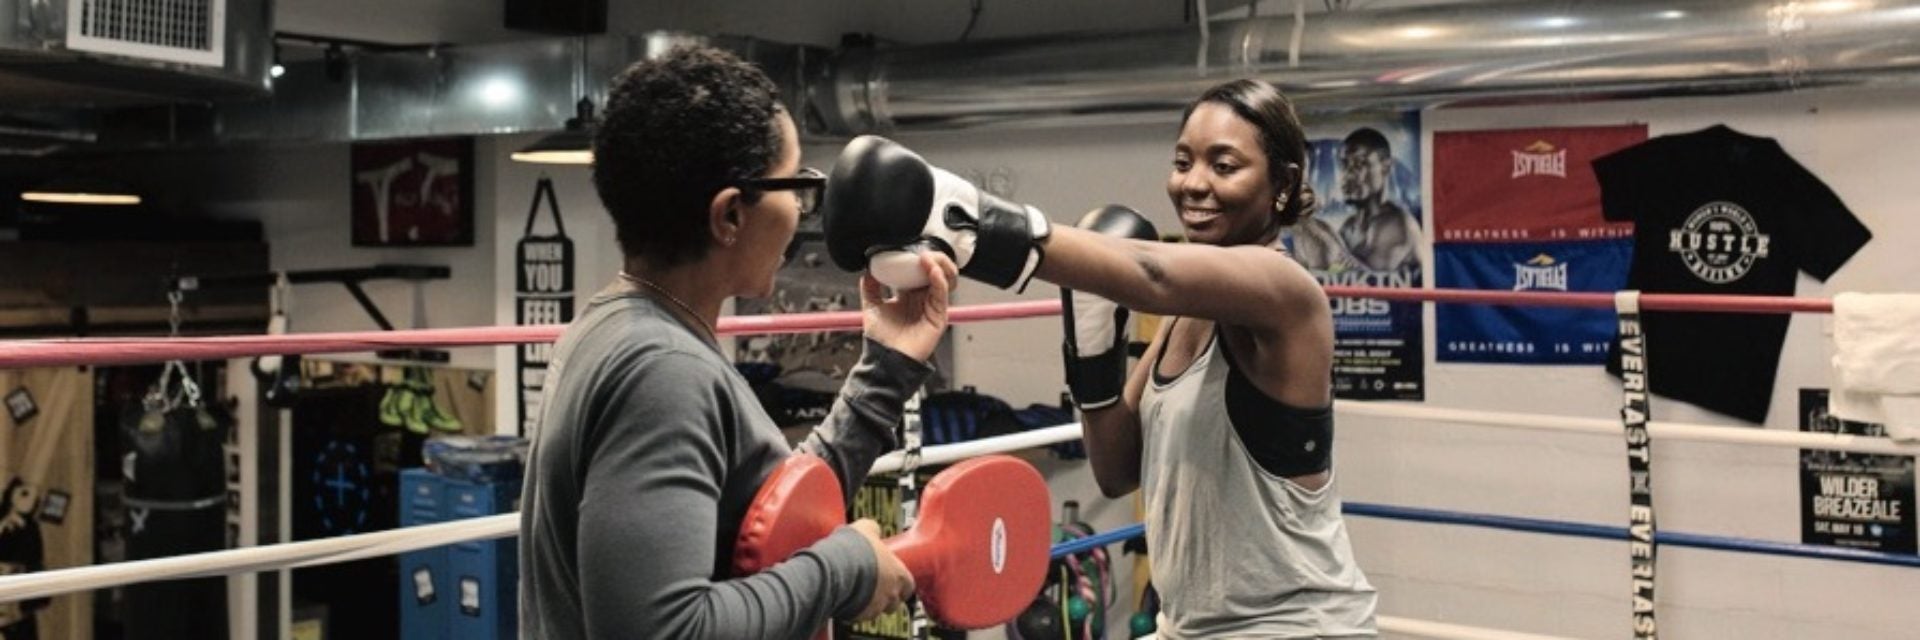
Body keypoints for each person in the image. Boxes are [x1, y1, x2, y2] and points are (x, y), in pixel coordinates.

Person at [818, 78, 1377, 638]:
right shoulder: (1187, 315)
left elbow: (1150, 273)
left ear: (1281, 183)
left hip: (1296, 624)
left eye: (1224, 166)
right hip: (1192, 626)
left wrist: (955, 218)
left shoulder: (1287, 292)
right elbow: (1115, 470)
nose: (1194, 184)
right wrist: (1093, 345)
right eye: (1183, 162)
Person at [518, 45, 955, 640]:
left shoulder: (624, 330)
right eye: (795, 185)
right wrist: (845, 566)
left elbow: (764, 516)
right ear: (729, 216)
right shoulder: (664, 372)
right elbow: (662, 632)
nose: (801, 210)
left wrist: (887, 368)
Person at [1336, 126, 1423, 272]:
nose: (1348, 175)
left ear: (1386, 167)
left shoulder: (1398, 223)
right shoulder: (1349, 227)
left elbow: (1367, 281)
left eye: (1360, 164)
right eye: (1345, 164)